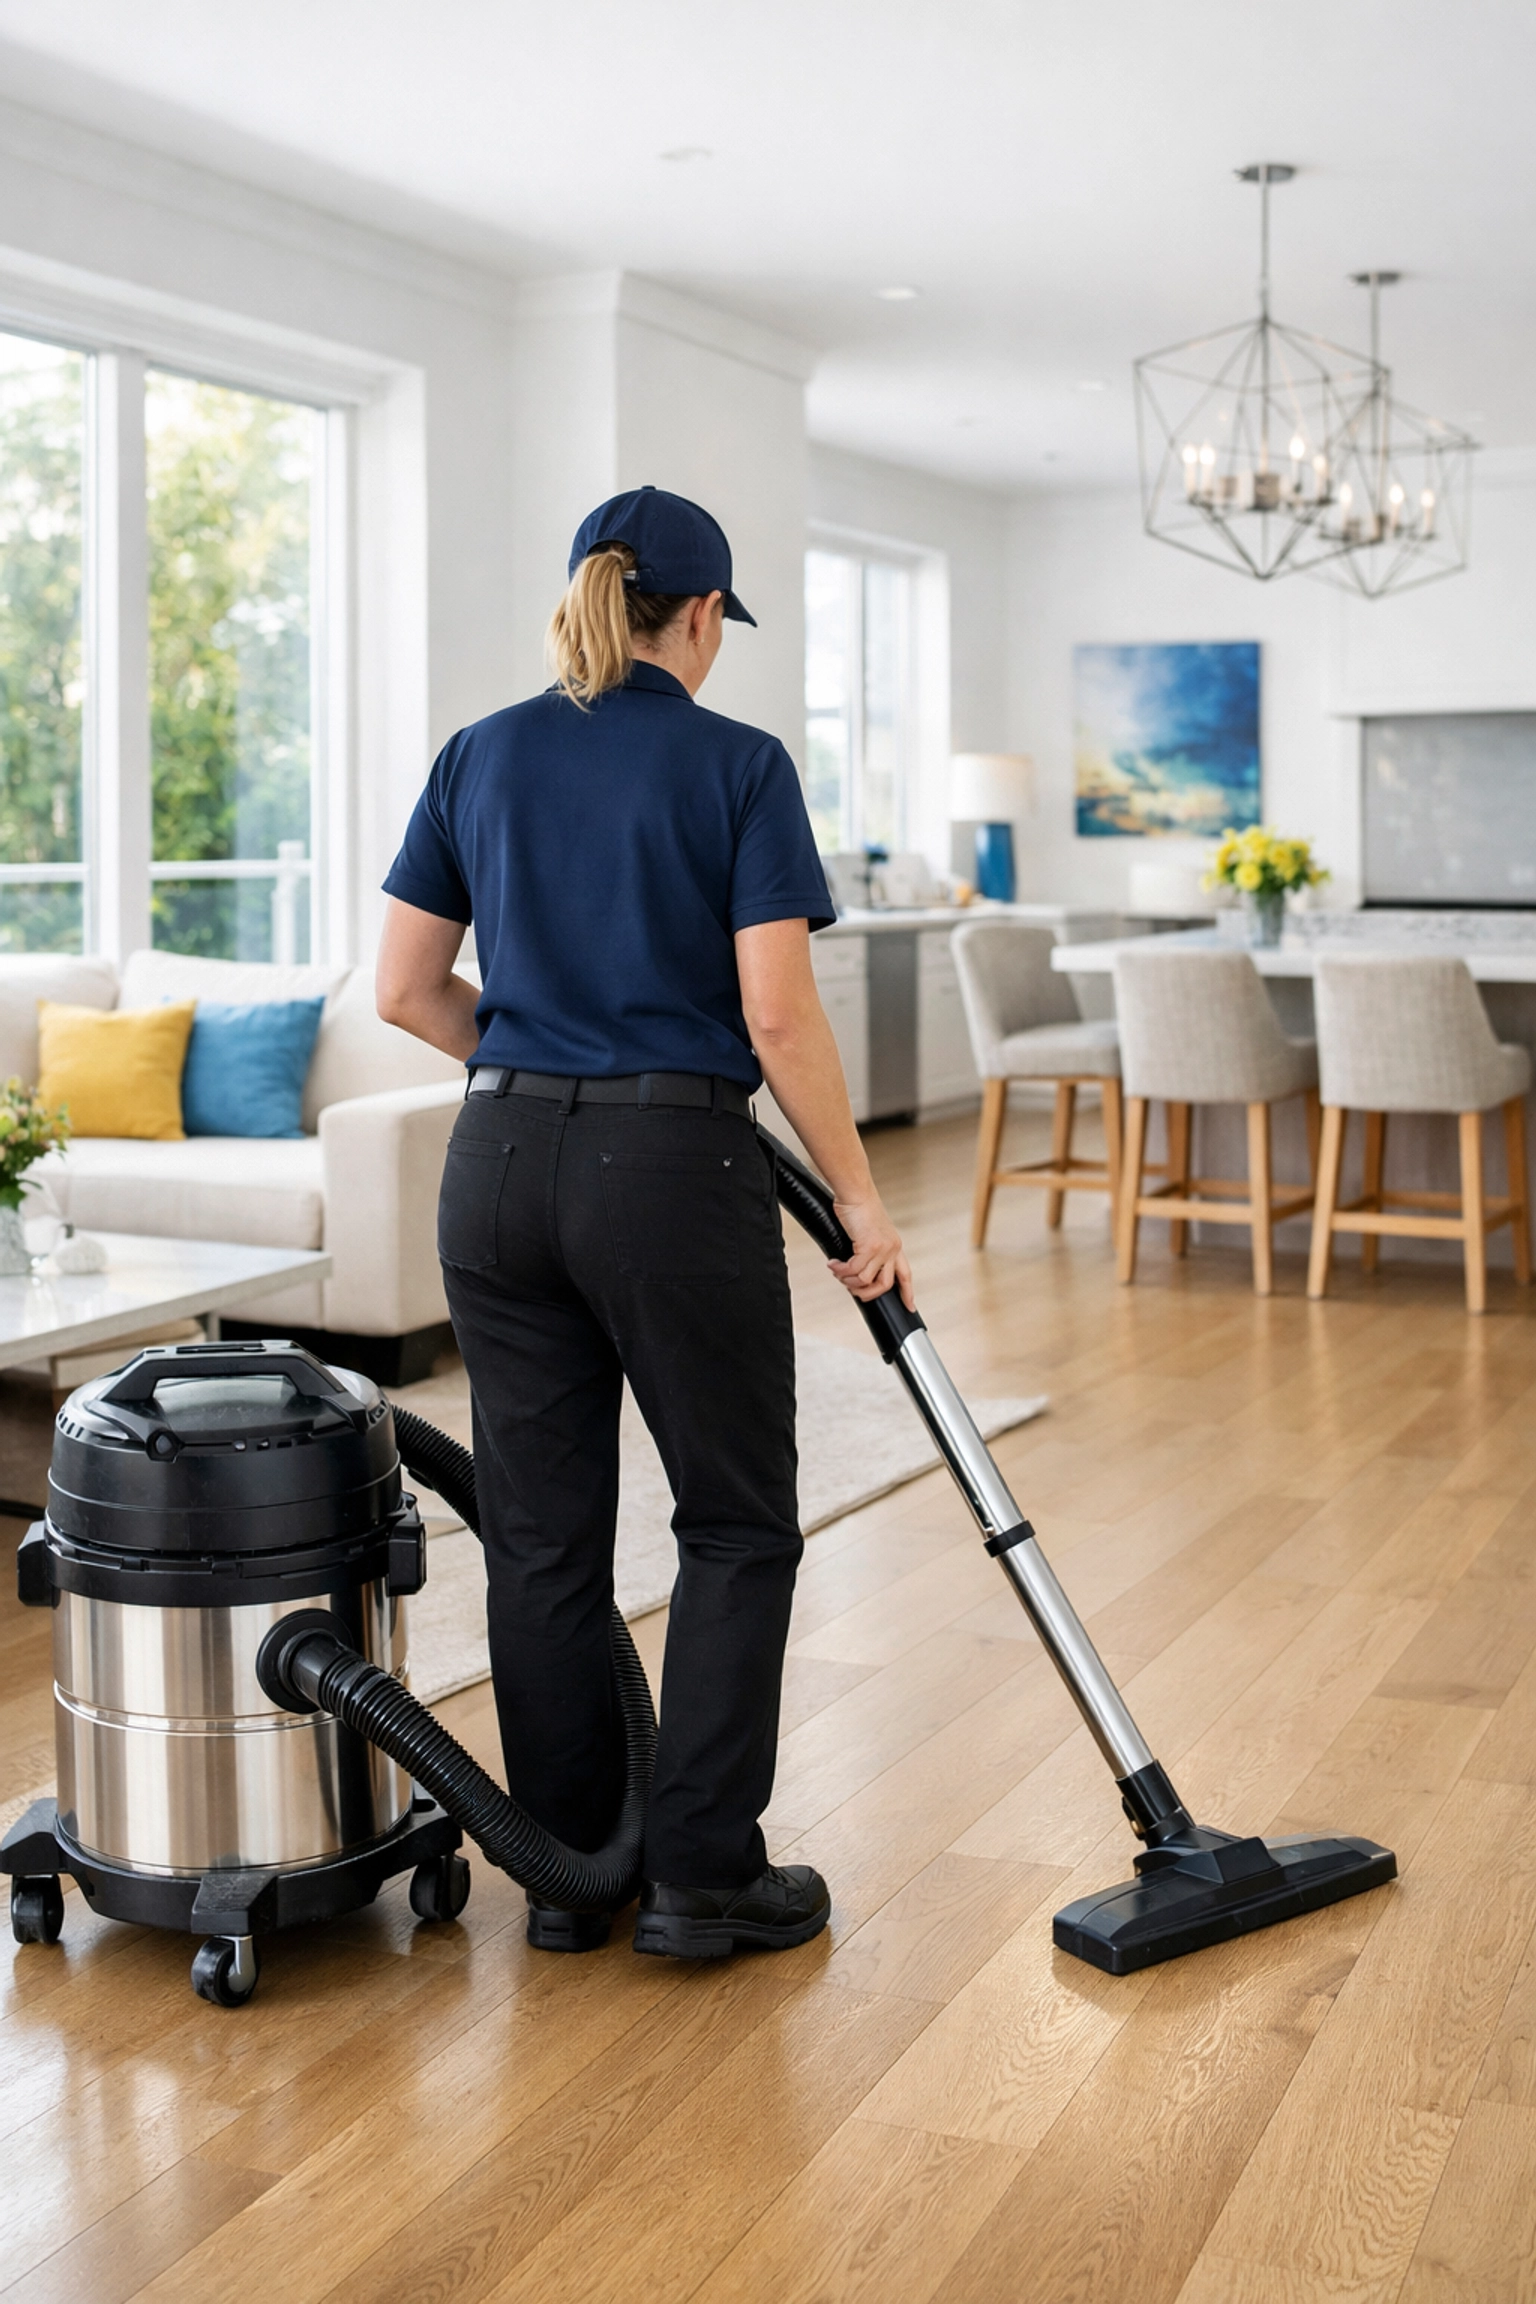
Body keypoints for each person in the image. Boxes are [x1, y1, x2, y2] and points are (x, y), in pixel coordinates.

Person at [376, 485, 912, 1960]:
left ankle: (570, 1873)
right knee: (734, 1520)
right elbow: (776, 1016)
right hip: (671, 1169)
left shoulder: (478, 752)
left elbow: (405, 989)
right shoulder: (739, 764)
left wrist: (535, 1066)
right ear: (699, 615)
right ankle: (698, 1878)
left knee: (540, 1536)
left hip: (493, 1164)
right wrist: (859, 1195)